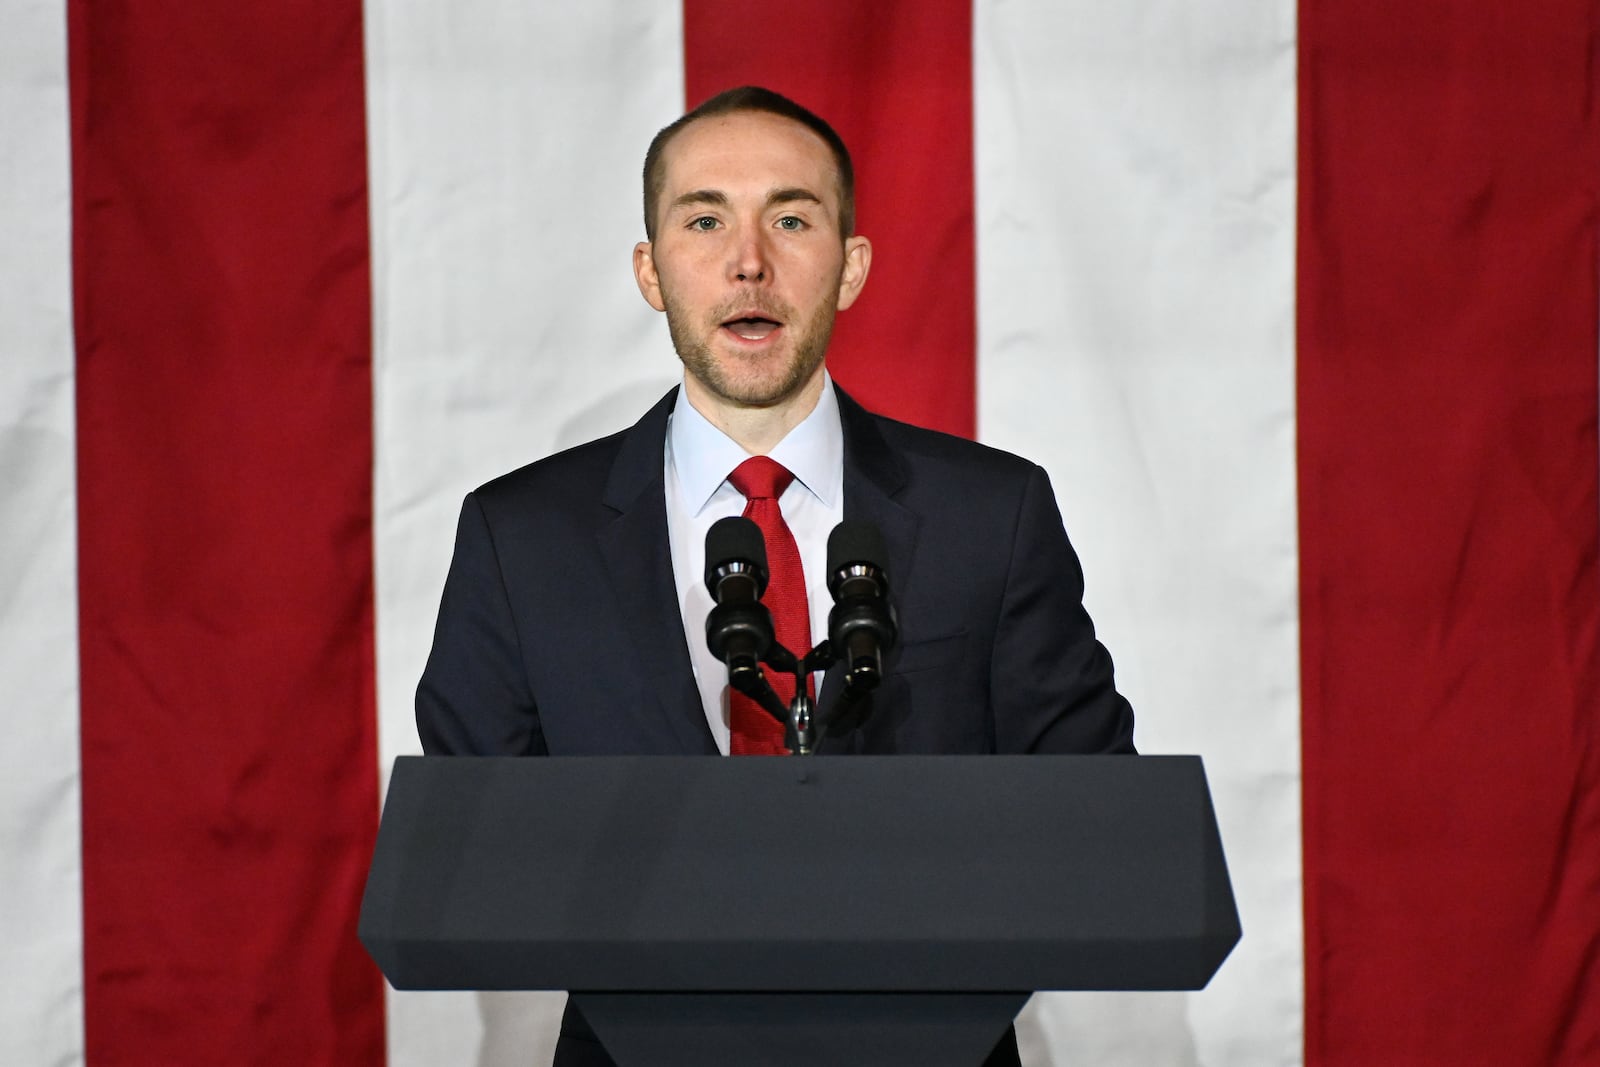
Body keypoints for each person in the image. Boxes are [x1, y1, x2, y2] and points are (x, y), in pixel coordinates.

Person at [417, 86, 1136, 1067]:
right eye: (704, 218)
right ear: (651, 269)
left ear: (848, 268)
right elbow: (476, 844)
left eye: (791, 219)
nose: (747, 259)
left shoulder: (990, 516)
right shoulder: (522, 536)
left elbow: (1095, 821)